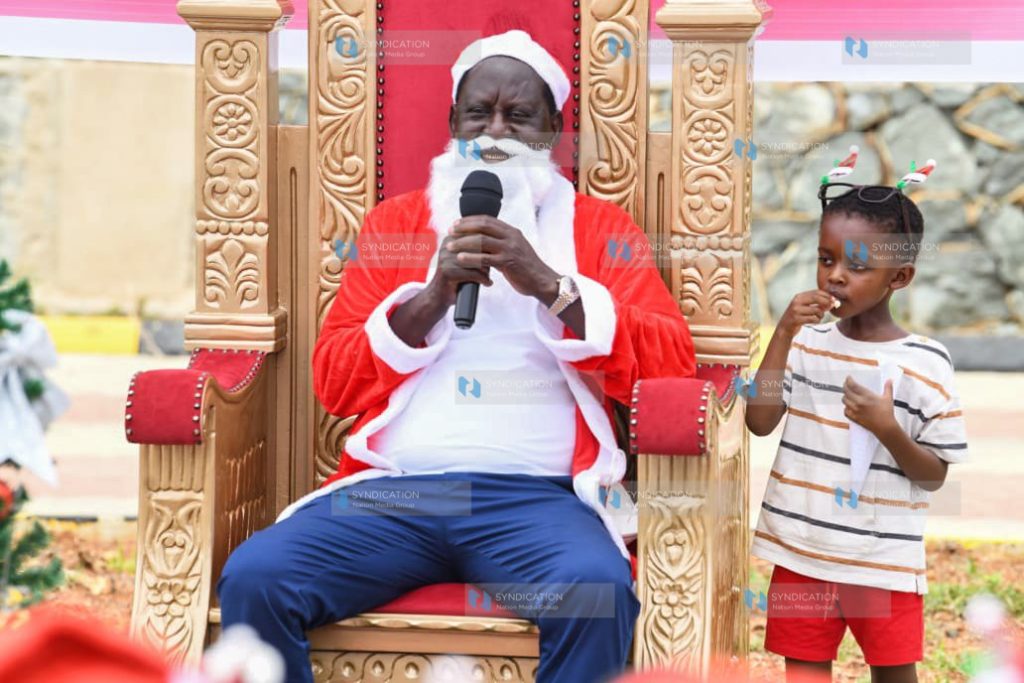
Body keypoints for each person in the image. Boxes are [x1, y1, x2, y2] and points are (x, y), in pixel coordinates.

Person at [217, 29, 696, 683]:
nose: (494, 130)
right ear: (453, 122)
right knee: (257, 577)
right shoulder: (396, 225)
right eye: (479, 112)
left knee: (596, 592)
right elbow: (333, 379)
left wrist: (550, 286)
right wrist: (433, 295)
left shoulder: (601, 231)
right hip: (398, 494)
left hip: (540, 501)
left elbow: (672, 364)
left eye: (518, 115)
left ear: (551, 132)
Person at [746, 152, 969, 683]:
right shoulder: (807, 343)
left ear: (901, 276)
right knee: (803, 669)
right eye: (826, 260)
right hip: (801, 551)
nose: (836, 277)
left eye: (858, 267)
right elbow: (759, 419)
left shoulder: (925, 363)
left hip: (881, 559)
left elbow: (933, 475)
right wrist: (781, 333)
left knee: (894, 673)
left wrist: (887, 428)